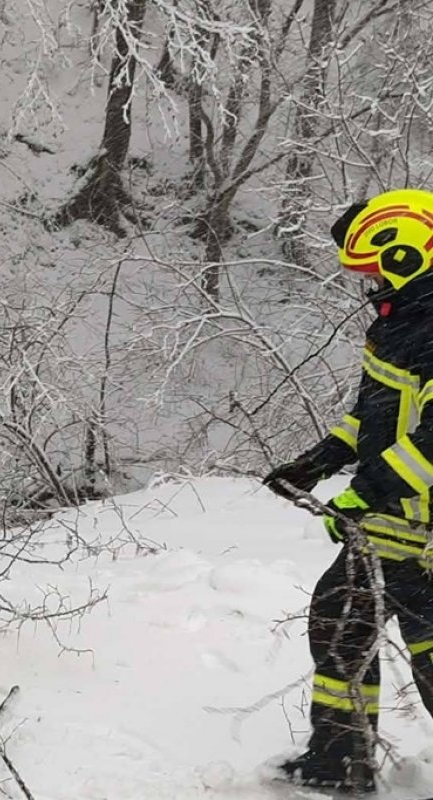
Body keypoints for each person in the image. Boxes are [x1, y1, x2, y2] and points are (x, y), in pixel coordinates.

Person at [263, 188, 433, 793]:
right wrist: (316, 462)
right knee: (341, 621)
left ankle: (341, 760)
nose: (368, 284)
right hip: (396, 523)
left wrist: (365, 493)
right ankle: (340, 761)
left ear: (407, 255)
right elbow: (376, 415)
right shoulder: (402, 327)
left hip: (419, 528)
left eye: (373, 269)